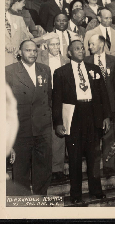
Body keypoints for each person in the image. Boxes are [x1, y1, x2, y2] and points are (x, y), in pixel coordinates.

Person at [52, 40, 111, 204]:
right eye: (76, 49)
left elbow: (103, 95)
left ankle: (96, 190)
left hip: (93, 116)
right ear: (69, 53)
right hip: (73, 117)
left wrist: (106, 116)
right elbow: (56, 100)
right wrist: (58, 122)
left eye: (82, 48)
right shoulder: (60, 72)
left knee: (94, 157)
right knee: (75, 158)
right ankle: (76, 194)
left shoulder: (94, 69)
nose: (81, 50)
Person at [6, 40, 52, 195]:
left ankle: (40, 202)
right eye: (28, 50)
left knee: (43, 170)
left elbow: (49, 98)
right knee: (20, 172)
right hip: (21, 129)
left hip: (42, 128)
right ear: (20, 52)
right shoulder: (10, 71)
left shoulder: (45, 70)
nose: (32, 54)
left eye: (34, 51)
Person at [37, 34, 70, 181]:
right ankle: (44, 168)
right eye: (52, 44)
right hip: (43, 99)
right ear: (46, 46)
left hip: (61, 99)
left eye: (58, 44)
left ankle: (57, 168)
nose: (55, 47)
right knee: (44, 133)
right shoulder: (39, 58)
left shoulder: (66, 61)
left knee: (59, 133)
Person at [85, 35, 115, 170]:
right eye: (89, 44)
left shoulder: (113, 60)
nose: (90, 47)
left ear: (101, 44)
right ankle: (93, 166)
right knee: (93, 137)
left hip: (109, 104)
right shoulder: (86, 60)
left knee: (109, 135)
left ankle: (109, 165)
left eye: (92, 44)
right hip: (92, 104)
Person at [5, 0, 33, 65]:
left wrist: (21, 48)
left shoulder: (19, 19)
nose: (6, 2)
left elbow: (25, 39)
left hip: (16, 62)